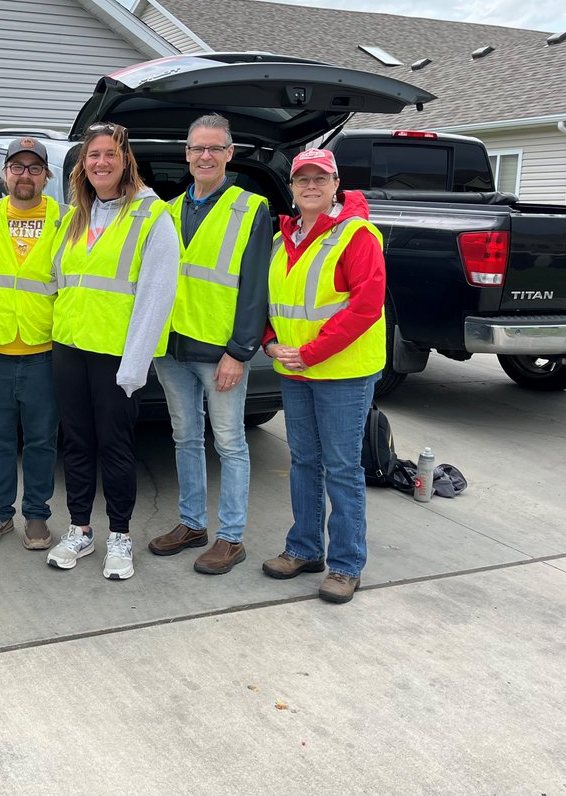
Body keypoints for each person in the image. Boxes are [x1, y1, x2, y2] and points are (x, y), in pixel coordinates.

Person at [46, 122, 178, 580]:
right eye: (92, 155)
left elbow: (157, 295)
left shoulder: (152, 215)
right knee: (78, 444)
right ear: (83, 164)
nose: (100, 162)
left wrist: (135, 365)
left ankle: (119, 535)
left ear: (125, 160)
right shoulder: (75, 215)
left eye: (109, 154)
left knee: (116, 448)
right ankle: (80, 529)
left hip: (116, 357)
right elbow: (58, 281)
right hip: (69, 349)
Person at [147, 114, 271, 574]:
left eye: (215, 148)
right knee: (185, 438)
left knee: (231, 445)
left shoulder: (250, 208)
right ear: (186, 153)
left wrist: (240, 352)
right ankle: (192, 524)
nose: (205, 156)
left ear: (229, 154)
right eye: (198, 148)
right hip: (174, 348)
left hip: (220, 353)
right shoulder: (168, 209)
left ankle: (231, 538)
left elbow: (256, 287)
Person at [262, 147, 386, 604]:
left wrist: (311, 353)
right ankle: (304, 549)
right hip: (296, 369)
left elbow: (365, 307)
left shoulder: (357, 235)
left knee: (341, 469)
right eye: (302, 179)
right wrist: (269, 341)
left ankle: (346, 565)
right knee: (304, 462)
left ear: (336, 184)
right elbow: (268, 302)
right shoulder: (282, 239)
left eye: (321, 178)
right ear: (292, 189)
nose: (311, 186)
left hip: (342, 374)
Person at [0, 138, 62, 551]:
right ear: (5, 173)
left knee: (42, 439)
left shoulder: (67, 220)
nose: (25, 175)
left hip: (44, 350)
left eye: (34, 168)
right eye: (17, 167)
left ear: (46, 175)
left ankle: (37, 516)